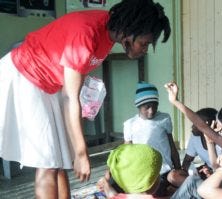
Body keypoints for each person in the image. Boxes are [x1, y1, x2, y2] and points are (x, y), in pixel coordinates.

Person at [0, 0, 171, 198]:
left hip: (50, 84)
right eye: (145, 43)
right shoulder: (87, 33)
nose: (144, 49)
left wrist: (77, 151)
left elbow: (73, 84)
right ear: (130, 29)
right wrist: (81, 153)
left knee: (61, 160)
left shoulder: (107, 36)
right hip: (25, 75)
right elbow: (70, 97)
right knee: (47, 164)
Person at [123, 81, 181, 196]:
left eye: (155, 106)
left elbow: (171, 146)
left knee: (176, 180)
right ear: (138, 105)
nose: (151, 110)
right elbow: (127, 154)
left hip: (164, 170)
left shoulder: (164, 119)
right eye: (147, 107)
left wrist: (178, 168)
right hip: (143, 173)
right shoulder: (130, 124)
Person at [167, 108, 221, 187]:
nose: (192, 127)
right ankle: (204, 190)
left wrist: (211, 173)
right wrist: (197, 172)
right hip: (206, 176)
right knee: (172, 176)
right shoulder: (195, 137)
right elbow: (186, 161)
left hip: (220, 177)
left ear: (207, 124)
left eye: (195, 123)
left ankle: (202, 190)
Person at [97, 144, 163, 199]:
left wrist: (106, 183)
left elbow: (112, 195)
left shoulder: (119, 197)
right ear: (147, 182)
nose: (160, 177)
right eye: (157, 174)